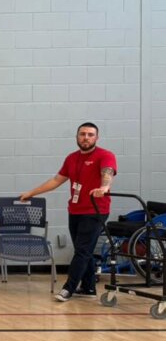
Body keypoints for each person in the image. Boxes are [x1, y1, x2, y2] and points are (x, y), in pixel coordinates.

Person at [20, 122, 117, 302]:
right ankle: (88, 288)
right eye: (82, 134)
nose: (86, 138)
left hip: (95, 210)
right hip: (75, 210)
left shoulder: (105, 155)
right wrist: (31, 193)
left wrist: (104, 187)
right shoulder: (72, 158)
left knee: (81, 251)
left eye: (90, 134)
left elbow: (107, 173)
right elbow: (57, 180)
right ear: (77, 137)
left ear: (97, 137)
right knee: (83, 250)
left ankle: (68, 288)